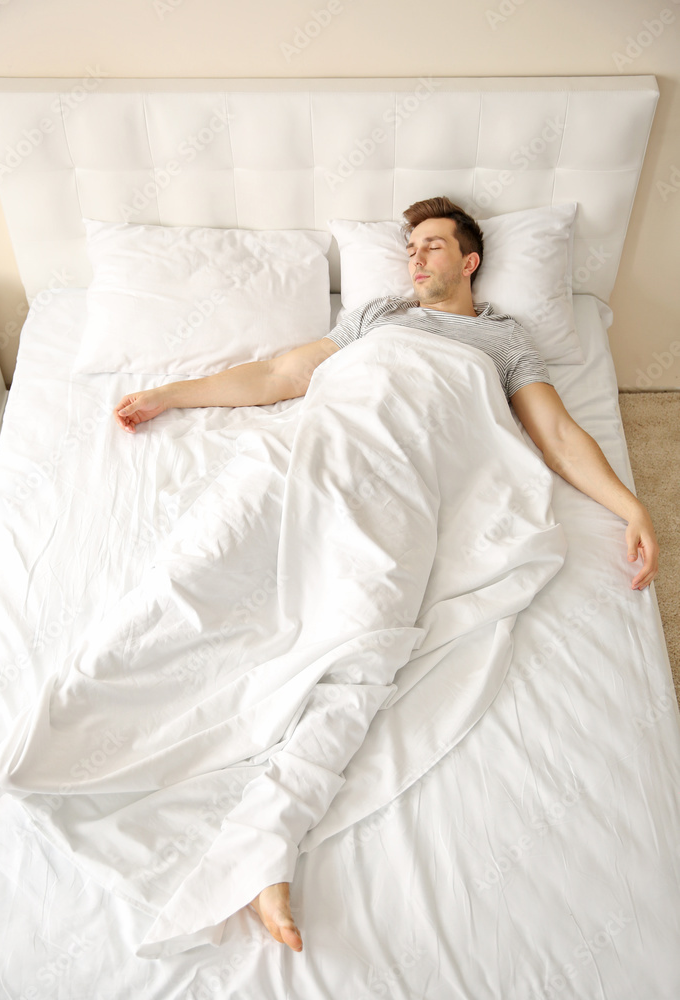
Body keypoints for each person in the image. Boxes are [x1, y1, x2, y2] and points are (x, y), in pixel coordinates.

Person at [112, 196, 660, 952]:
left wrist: (630, 506)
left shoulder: (502, 338)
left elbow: (556, 431)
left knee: (370, 641)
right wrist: (169, 395)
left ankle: (265, 847)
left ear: (469, 261)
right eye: (410, 246)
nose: (416, 257)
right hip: (315, 449)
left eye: (433, 245)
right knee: (197, 574)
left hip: (408, 472)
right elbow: (278, 374)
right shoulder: (374, 318)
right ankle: (105, 715)